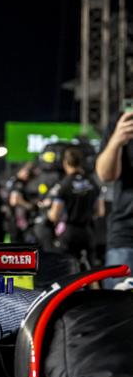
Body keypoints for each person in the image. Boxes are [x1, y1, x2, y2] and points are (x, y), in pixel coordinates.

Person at [96, 110, 133, 286]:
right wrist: (117, 141)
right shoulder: (123, 121)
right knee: (119, 310)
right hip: (127, 235)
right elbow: (105, 174)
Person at [49, 147, 100, 262]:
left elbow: (54, 216)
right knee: (92, 271)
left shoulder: (63, 185)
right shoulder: (92, 182)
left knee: (67, 268)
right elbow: (100, 211)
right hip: (88, 231)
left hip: (70, 232)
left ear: (65, 163)